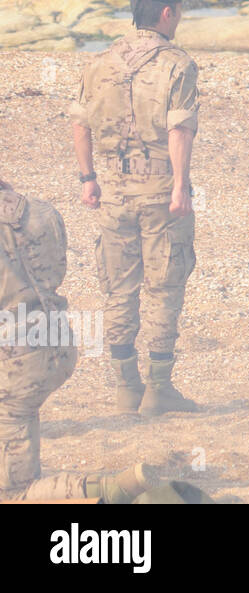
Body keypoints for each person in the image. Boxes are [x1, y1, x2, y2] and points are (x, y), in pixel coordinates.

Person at [70, 0, 200, 416]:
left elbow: (80, 124)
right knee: (164, 286)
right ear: (167, 13)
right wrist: (180, 187)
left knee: (118, 289)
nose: (180, 17)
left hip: (113, 193)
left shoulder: (100, 60)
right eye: (179, 10)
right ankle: (159, 389)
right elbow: (179, 128)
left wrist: (88, 179)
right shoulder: (177, 64)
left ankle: (126, 387)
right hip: (161, 190)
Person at [0, 177, 157, 502]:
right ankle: (116, 486)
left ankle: (101, 496)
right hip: (56, 343)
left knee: (12, 492)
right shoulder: (41, 211)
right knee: (19, 417)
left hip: (14, 362)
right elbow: (54, 272)